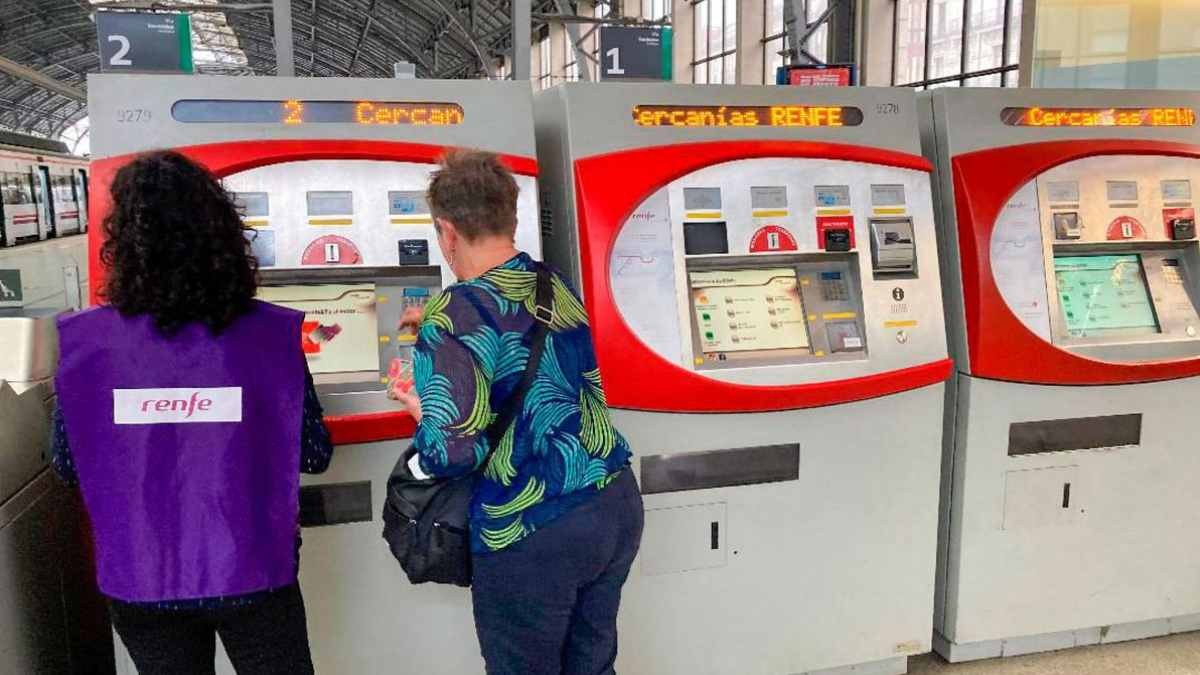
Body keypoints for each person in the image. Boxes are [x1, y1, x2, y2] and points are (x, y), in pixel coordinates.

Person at [50, 150, 331, 675]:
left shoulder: (87, 344)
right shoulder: (270, 336)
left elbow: (69, 464)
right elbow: (313, 452)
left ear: (123, 241)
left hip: (141, 573)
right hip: (252, 567)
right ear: (221, 234)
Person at [393, 149, 644, 675]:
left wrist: (424, 414)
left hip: (531, 524)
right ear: (509, 217)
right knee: (593, 665)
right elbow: (568, 387)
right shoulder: (555, 285)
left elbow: (453, 451)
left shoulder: (450, 312)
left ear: (446, 230)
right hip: (611, 501)